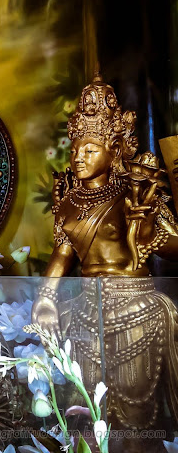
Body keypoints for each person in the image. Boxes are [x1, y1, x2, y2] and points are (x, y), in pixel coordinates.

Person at [32, 73, 178, 452]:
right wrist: (46, 299)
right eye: (75, 149)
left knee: (136, 412)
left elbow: (173, 247)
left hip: (136, 309)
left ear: (114, 149)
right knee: (88, 410)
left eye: (90, 149)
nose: (78, 157)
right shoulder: (69, 203)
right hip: (85, 309)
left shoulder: (135, 191)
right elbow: (62, 255)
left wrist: (149, 228)